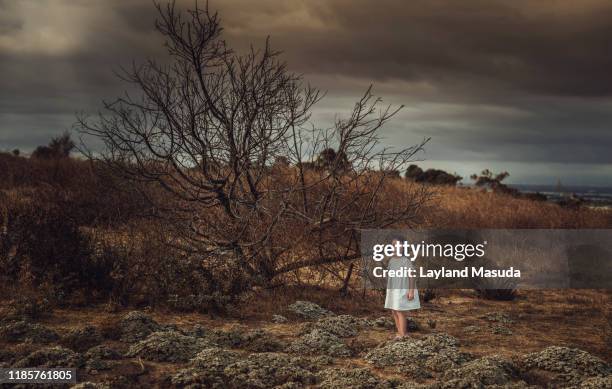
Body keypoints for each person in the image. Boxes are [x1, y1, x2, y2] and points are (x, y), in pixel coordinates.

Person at [384, 235, 421, 339]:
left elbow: (412, 276)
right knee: (394, 310)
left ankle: (403, 334)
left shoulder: (406, 261)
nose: (395, 247)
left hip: (402, 289)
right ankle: (399, 332)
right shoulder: (391, 260)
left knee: (400, 311)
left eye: (397, 245)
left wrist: (411, 291)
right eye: (393, 245)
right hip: (393, 289)